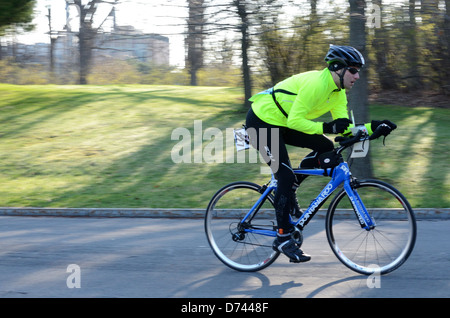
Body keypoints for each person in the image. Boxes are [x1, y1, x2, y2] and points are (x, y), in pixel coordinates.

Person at [245, 45, 397, 263]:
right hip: (262, 121)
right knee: (284, 176)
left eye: (358, 71)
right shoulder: (317, 84)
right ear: (338, 69)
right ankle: (283, 236)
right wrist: (327, 128)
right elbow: (296, 122)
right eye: (353, 70)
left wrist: (373, 128)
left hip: (284, 122)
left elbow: (343, 128)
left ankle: (292, 185)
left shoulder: (337, 93)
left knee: (326, 148)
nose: (357, 76)